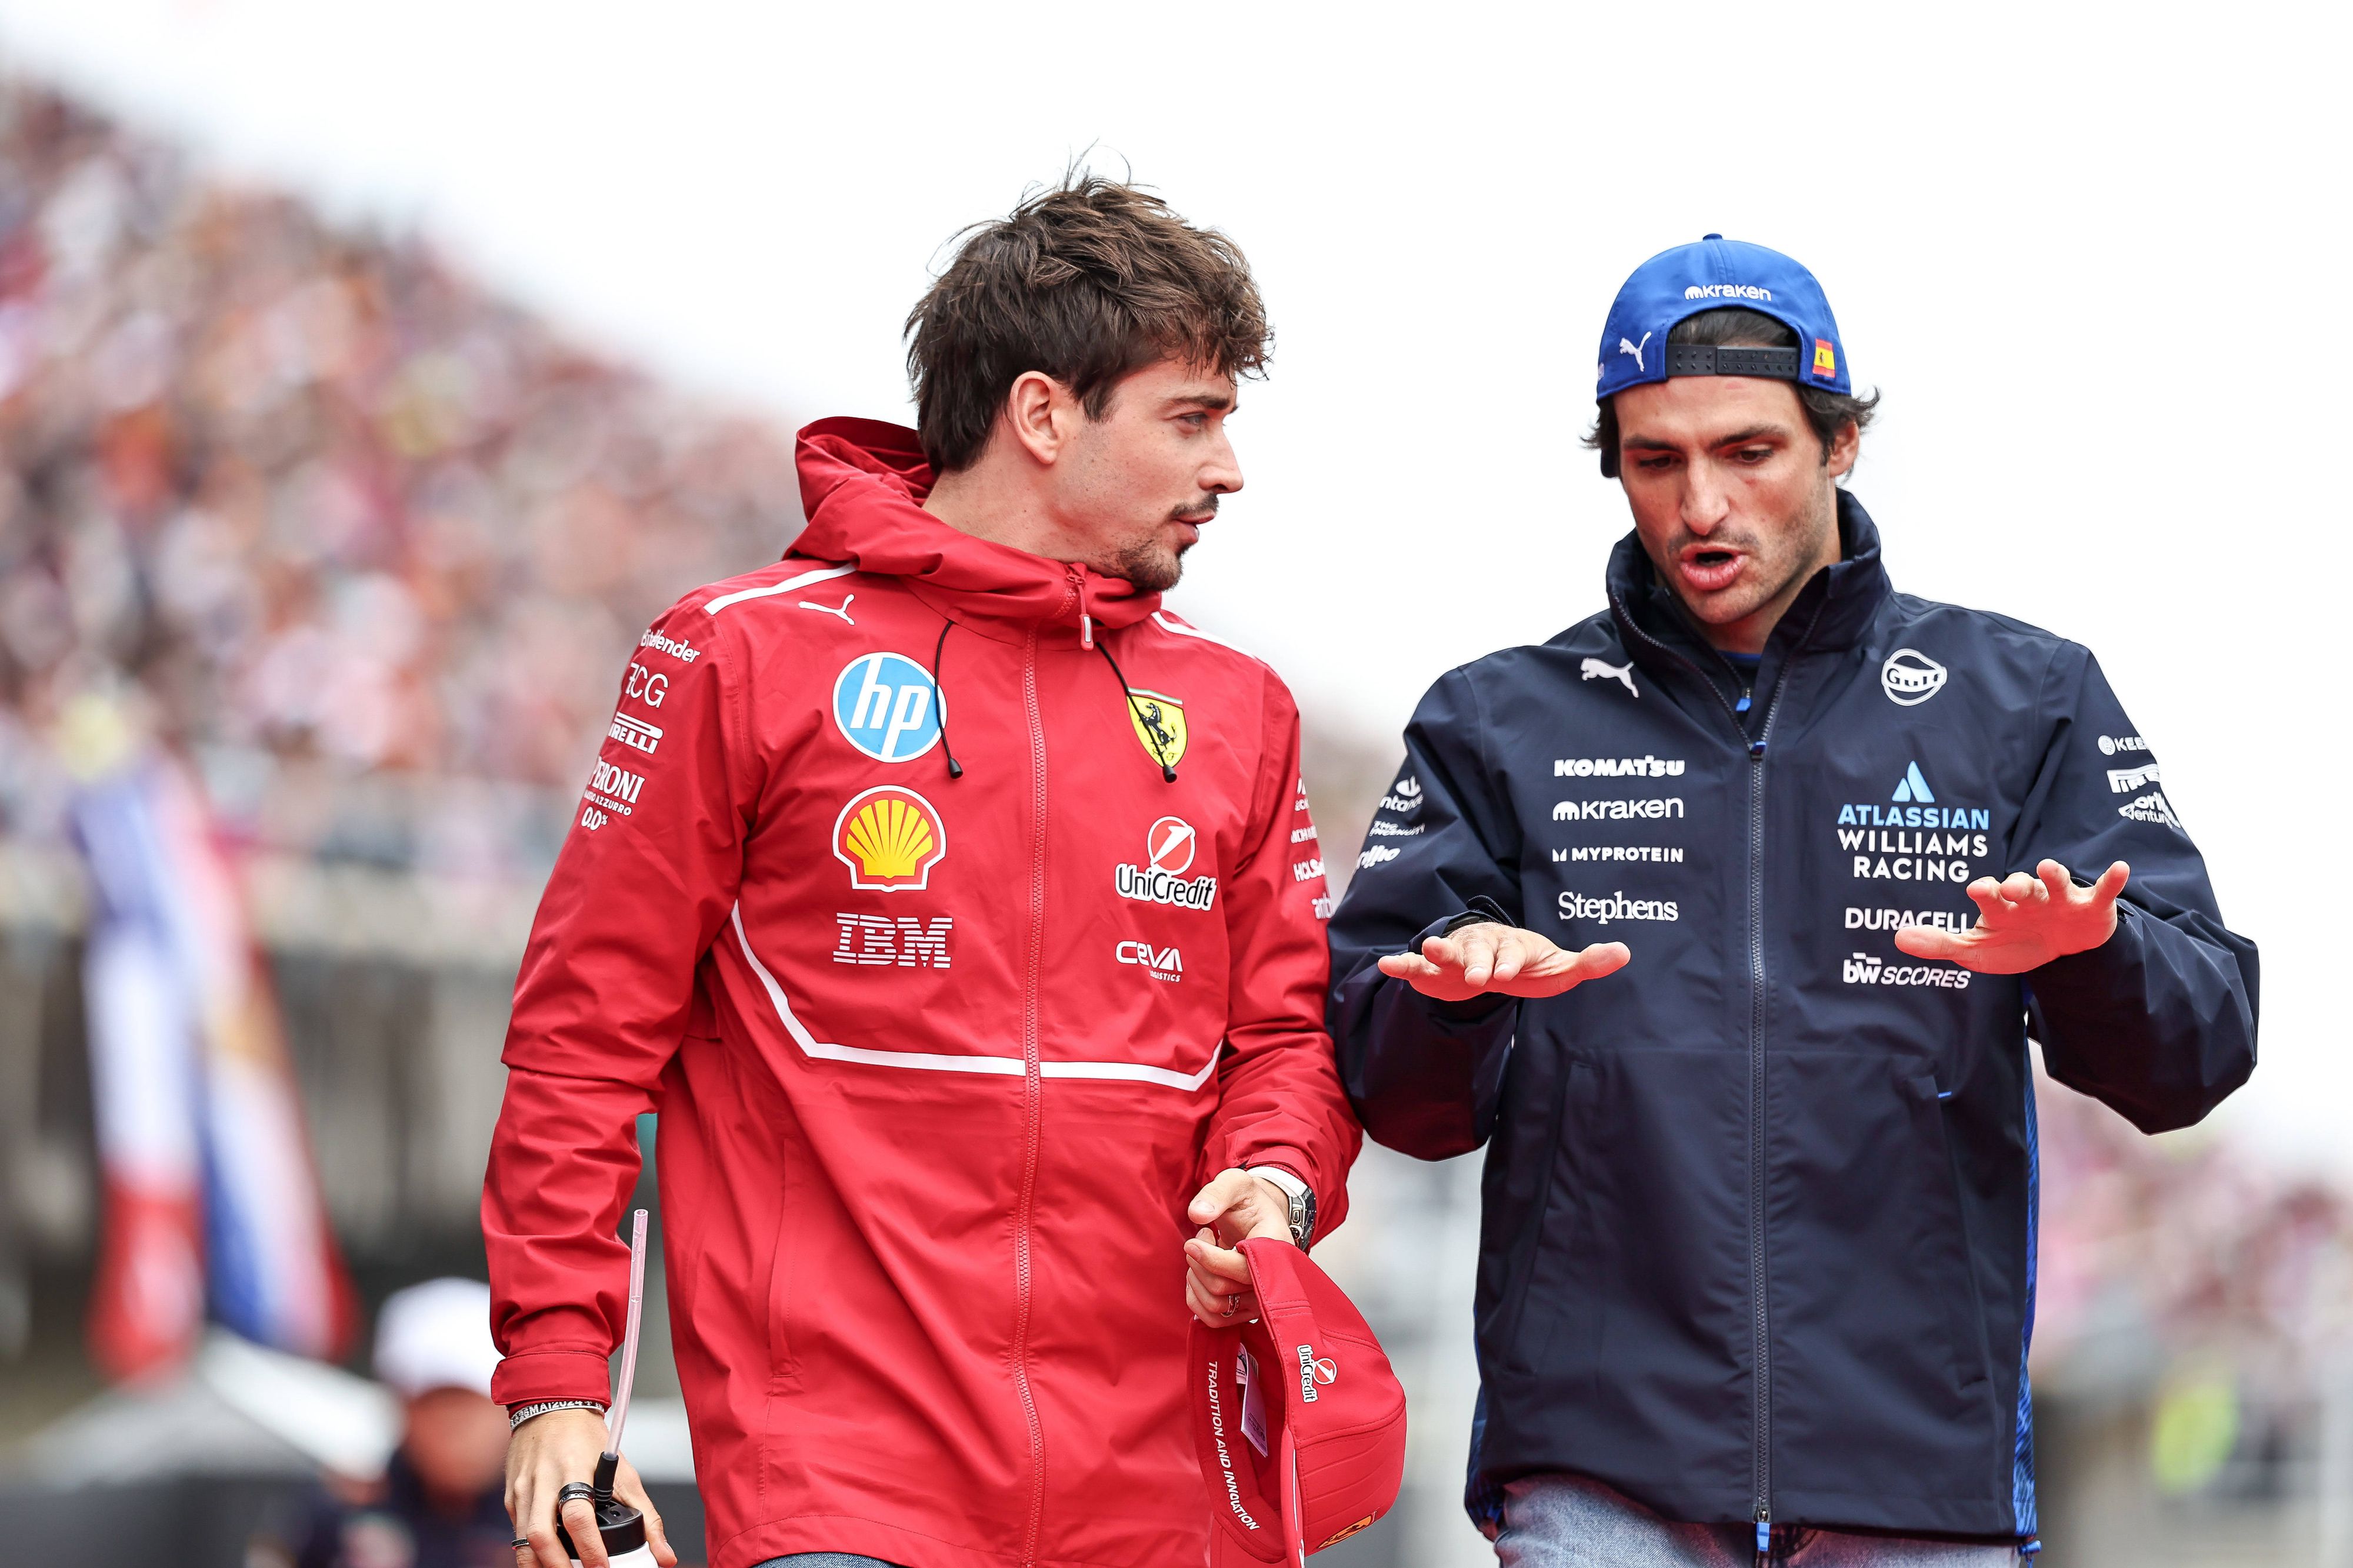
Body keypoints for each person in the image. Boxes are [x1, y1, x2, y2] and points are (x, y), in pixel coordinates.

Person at [1327, 236, 2258, 1566]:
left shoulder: (2024, 698)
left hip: (1911, 1479)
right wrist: (1455, 997)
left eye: (1747, 450)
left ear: (1839, 443)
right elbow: (1398, 1095)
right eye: (1655, 459)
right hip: (1598, 1475)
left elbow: (2200, 1051)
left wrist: (2092, 948)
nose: (1701, 502)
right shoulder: (1495, 718)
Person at [484, 176, 1358, 1568]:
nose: (1229, 468)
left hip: (1168, 1493)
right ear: (1041, 412)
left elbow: (1290, 1040)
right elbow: (582, 1046)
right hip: (841, 1484)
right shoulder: (739, 653)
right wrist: (558, 1379)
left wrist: (1276, 1175)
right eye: (1192, 418)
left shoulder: (1241, 705)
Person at [257, 1278, 517, 1568]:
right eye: (432, 1404)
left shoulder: (554, 1518)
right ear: (400, 1408)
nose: (452, 1428)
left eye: (469, 1406)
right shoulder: (335, 1519)